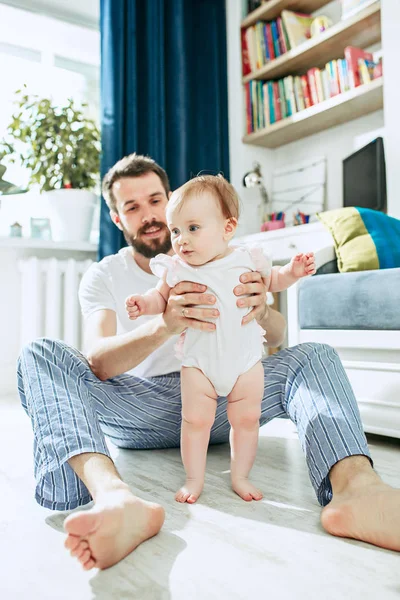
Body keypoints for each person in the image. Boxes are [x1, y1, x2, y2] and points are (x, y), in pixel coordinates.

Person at [17, 153, 400, 572]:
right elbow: (98, 362)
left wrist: (261, 309)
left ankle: (357, 491)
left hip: (227, 396)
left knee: (316, 355)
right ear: (115, 218)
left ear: (170, 199)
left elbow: (277, 338)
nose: (149, 216)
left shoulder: (234, 256)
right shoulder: (105, 276)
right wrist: (164, 324)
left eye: (154, 200)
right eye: (132, 207)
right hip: (139, 408)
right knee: (40, 353)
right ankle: (115, 499)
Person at [125, 174, 315, 504]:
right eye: (176, 231)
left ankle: (240, 476)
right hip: (199, 366)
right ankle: (193, 479)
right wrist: (144, 305)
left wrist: (293, 273)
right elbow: (160, 299)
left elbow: (275, 281)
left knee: (246, 421)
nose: (181, 239)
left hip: (245, 365)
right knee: (195, 421)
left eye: (193, 228)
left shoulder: (249, 259)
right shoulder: (177, 268)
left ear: (228, 229)